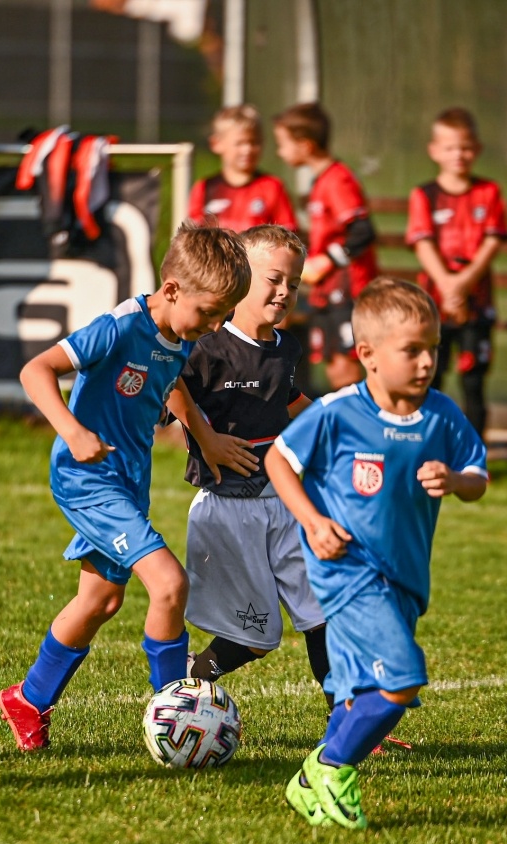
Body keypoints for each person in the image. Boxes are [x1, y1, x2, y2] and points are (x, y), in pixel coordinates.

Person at [0, 223, 252, 751]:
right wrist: (74, 431)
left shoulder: (178, 337)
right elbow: (35, 370)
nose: (215, 325)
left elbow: (172, 383)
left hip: (128, 480)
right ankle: (180, 720)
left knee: (101, 600)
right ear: (174, 290)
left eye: (224, 315)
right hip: (89, 478)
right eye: (209, 312)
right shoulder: (117, 327)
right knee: (169, 584)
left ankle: (29, 700)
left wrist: (204, 437)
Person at [267, 278, 489, 830]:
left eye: (433, 348)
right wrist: (313, 522)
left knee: (357, 691)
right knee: (403, 678)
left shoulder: (441, 415)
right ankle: (331, 765)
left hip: (405, 575)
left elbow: (480, 478)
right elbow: (279, 460)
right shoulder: (338, 412)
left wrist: (456, 479)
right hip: (346, 567)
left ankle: (308, 784)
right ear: (366, 355)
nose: (426, 362)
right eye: (411, 350)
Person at [163, 225, 332, 710]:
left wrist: (334, 423)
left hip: (285, 502)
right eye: (274, 278)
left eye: (294, 283)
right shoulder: (207, 344)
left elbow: (286, 397)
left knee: (325, 616)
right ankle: (187, 682)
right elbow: (171, 384)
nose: (284, 291)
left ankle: (351, 728)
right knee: (257, 638)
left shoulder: (286, 348)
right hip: (227, 510)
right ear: (241, 277)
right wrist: (205, 437)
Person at [407, 107, 507, 438]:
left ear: (477, 149)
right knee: (430, 376)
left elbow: (493, 241)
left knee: (474, 381)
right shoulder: (424, 195)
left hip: (476, 304)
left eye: (465, 147)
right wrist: (448, 285)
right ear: (434, 151)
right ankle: (424, 446)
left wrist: (463, 284)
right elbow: (422, 243)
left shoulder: (489, 192)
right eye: (450, 147)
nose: (458, 155)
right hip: (435, 305)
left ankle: (473, 457)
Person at [273, 103, 378, 391]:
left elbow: (362, 231)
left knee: (347, 370)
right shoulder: (322, 182)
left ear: (305, 145)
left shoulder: (338, 179)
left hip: (349, 291)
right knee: (336, 372)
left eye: (282, 144)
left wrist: (325, 261)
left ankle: (360, 434)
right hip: (328, 294)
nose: (279, 152)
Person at [187, 105, 298, 232]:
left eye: (254, 142)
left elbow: (289, 237)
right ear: (216, 144)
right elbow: (192, 239)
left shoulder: (272, 187)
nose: (247, 150)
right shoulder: (204, 188)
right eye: (239, 143)